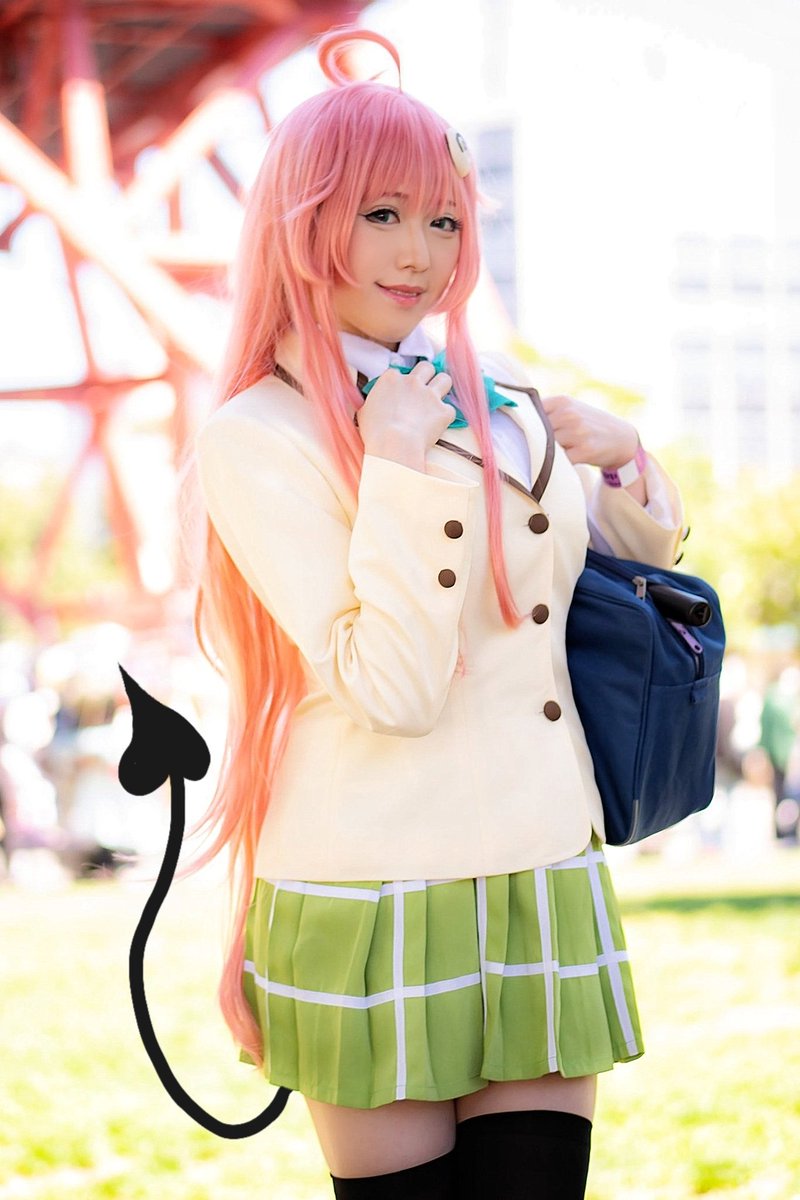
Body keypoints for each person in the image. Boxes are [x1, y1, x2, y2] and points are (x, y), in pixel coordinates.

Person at [191, 26, 684, 1199]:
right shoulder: (257, 435)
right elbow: (394, 688)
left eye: (445, 220)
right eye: (381, 215)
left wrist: (624, 468)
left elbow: (593, 597)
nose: (419, 252)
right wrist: (399, 473)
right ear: (304, 222)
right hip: (368, 883)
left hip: (537, 862)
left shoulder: (500, 396)